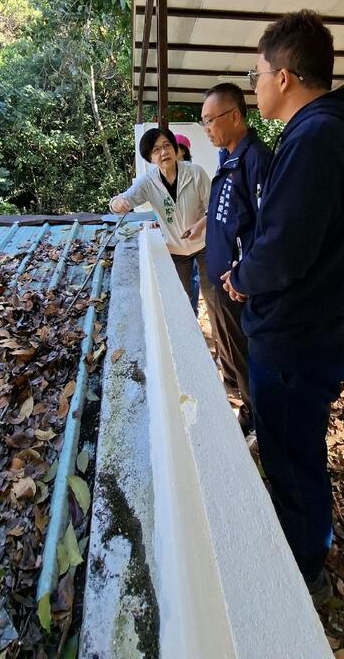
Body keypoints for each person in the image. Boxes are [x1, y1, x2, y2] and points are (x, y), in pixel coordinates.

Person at [221, 10, 344, 604]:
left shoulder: (315, 139)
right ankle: (305, 547)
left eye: (257, 73)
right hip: (314, 331)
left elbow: (284, 250)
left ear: (285, 76)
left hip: (294, 338)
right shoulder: (325, 134)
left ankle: (302, 569)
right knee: (296, 449)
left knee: (292, 458)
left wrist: (242, 278)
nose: (255, 83)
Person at [187, 83, 271, 435]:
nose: (206, 128)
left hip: (239, 285)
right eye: (203, 121)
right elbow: (230, 211)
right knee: (229, 345)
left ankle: (257, 414)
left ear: (235, 116)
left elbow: (268, 227)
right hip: (221, 279)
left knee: (245, 350)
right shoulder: (227, 157)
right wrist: (205, 221)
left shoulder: (256, 160)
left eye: (210, 120)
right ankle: (243, 397)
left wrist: (244, 275)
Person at [109, 127, 215, 315]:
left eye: (167, 146)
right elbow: (122, 200)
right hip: (175, 250)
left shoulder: (195, 173)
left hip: (205, 244)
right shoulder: (147, 182)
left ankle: (221, 340)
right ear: (150, 158)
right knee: (180, 299)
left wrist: (200, 226)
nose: (163, 152)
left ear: (175, 149)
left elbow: (213, 207)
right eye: (156, 150)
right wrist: (117, 204)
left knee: (214, 297)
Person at [174, 133, 199, 313]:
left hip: (195, 236)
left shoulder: (193, 173)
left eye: (170, 147)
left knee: (193, 278)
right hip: (176, 238)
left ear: (182, 151)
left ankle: (192, 313)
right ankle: (189, 312)